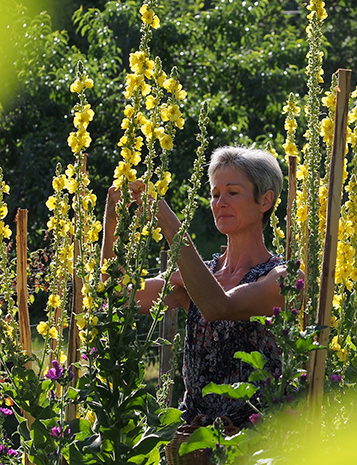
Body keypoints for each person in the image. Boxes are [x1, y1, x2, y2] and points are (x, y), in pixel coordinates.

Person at [101, 146, 289, 427]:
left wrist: (170, 225)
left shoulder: (280, 278)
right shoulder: (198, 275)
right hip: (192, 435)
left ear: (265, 200)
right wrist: (113, 220)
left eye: (232, 193)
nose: (220, 203)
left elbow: (218, 306)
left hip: (255, 437)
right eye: (215, 194)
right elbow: (120, 295)